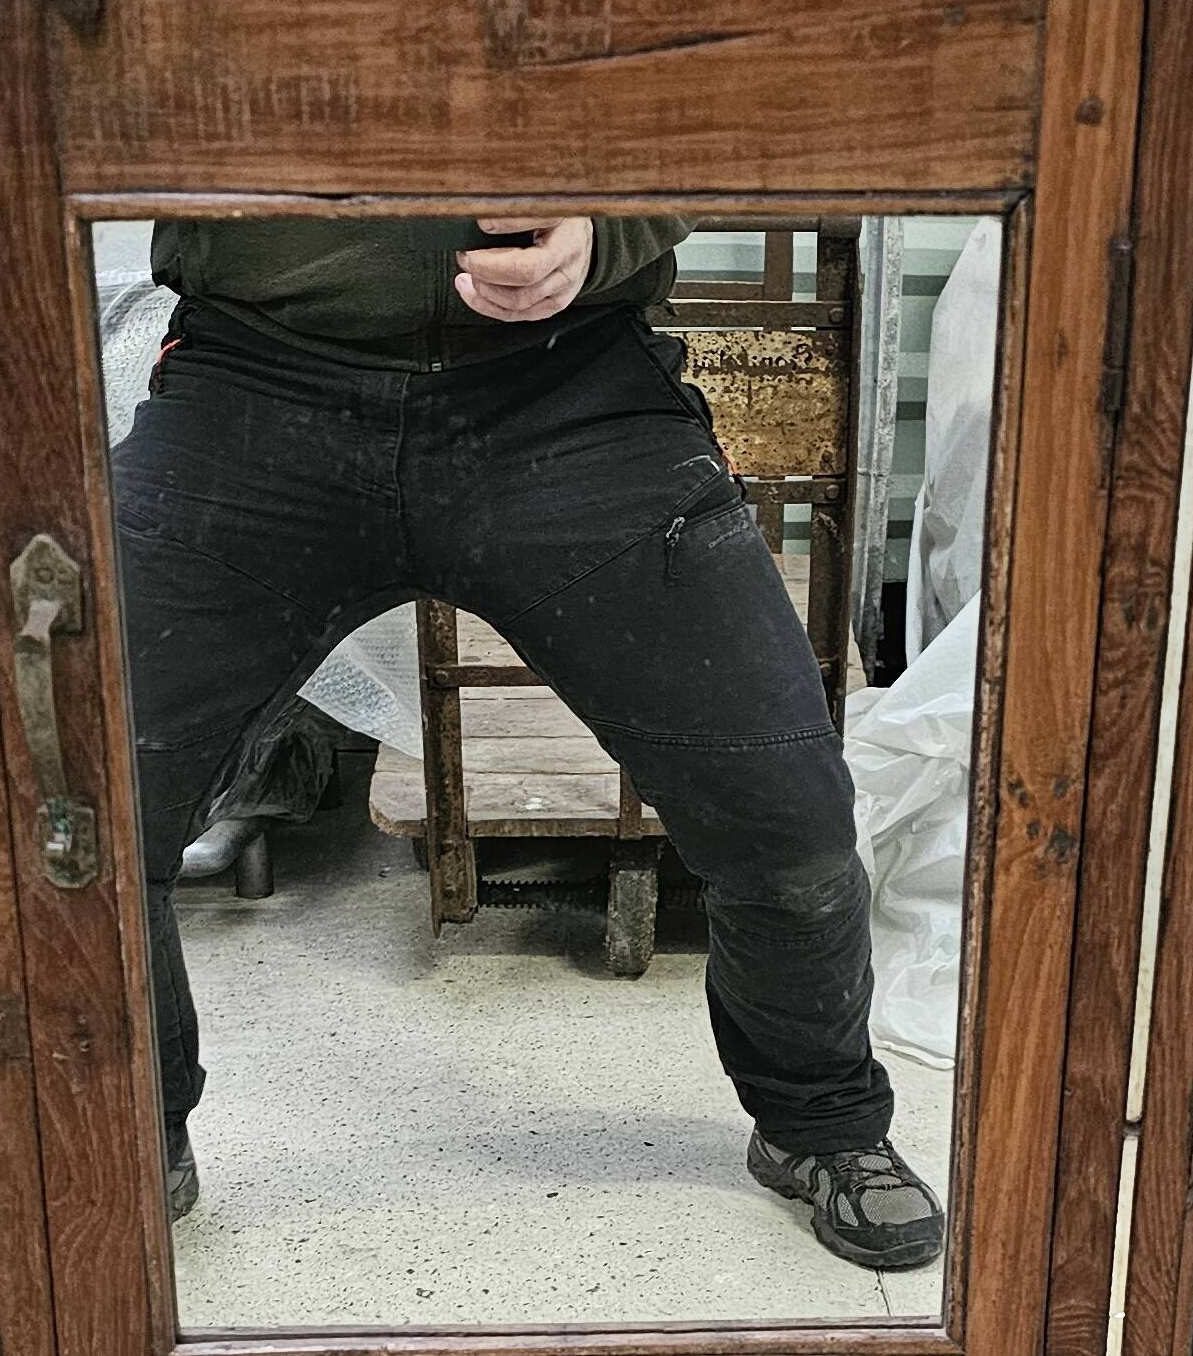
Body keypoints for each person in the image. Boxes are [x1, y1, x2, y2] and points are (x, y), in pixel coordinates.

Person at [111, 213, 943, 1273]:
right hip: (253, 385)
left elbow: (726, 124)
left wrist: (606, 233)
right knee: (82, 810)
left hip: (569, 389)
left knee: (789, 820)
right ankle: (125, 1130)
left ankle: (819, 1120)